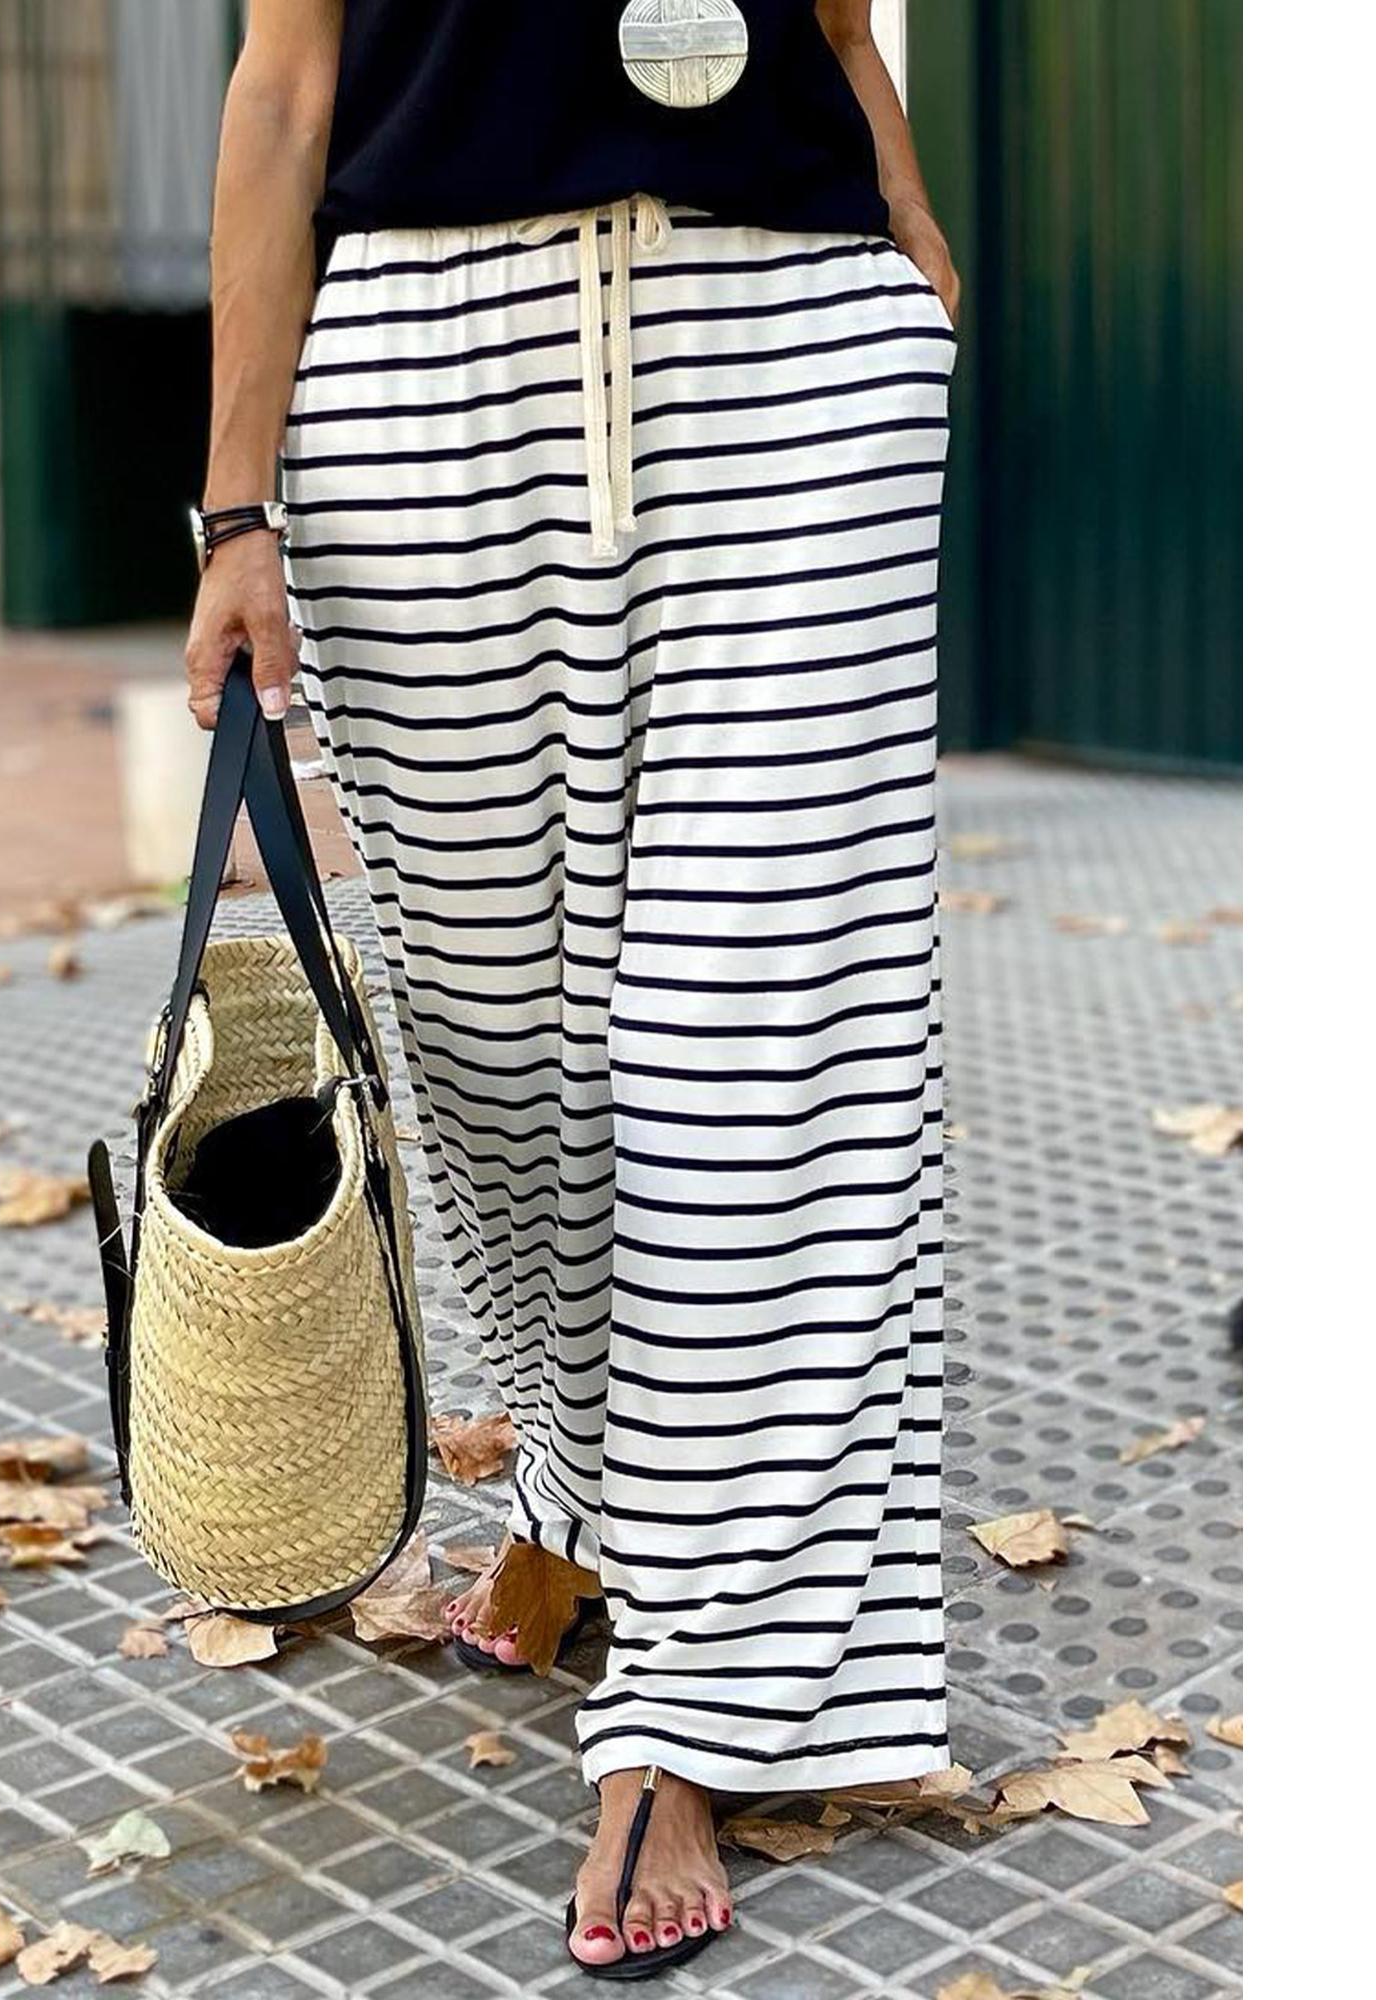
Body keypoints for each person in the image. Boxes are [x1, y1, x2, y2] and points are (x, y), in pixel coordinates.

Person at [185, 1, 959, 1978]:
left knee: (747, 1055)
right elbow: (285, 78)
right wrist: (236, 507)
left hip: (787, 329)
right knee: (496, 1056)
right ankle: (582, 1494)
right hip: (423, 366)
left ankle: (693, 1700)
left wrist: (898, 200)